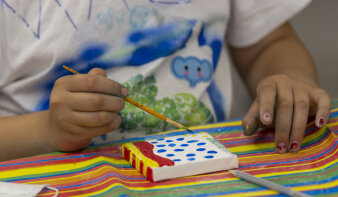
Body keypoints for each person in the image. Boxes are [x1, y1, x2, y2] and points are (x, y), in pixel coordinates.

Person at [0, 0, 331, 161]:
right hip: (56, 191)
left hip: (210, 185)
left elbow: (269, 44)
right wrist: (46, 130)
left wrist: (291, 81)